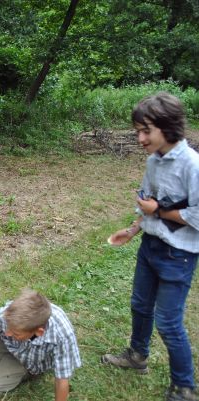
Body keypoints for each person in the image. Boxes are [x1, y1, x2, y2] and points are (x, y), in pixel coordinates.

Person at [102, 92, 199, 401]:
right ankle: (137, 356)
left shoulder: (192, 166)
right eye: (137, 131)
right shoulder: (153, 161)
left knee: (168, 322)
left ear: (167, 127)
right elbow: (146, 199)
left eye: (146, 131)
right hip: (150, 246)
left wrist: (158, 210)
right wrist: (132, 230)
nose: (140, 138)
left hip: (178, 255)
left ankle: (184, 386)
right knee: (140, 306)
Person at [0, 289, 81, 401]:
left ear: (38, 332)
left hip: (31, 360)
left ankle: (25, 372)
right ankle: (6, 357)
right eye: (7, 327)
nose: (7, 332)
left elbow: (62, 379)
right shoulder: (9, 314)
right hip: (5, 342)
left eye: (15, 332)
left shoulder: (62, 335)